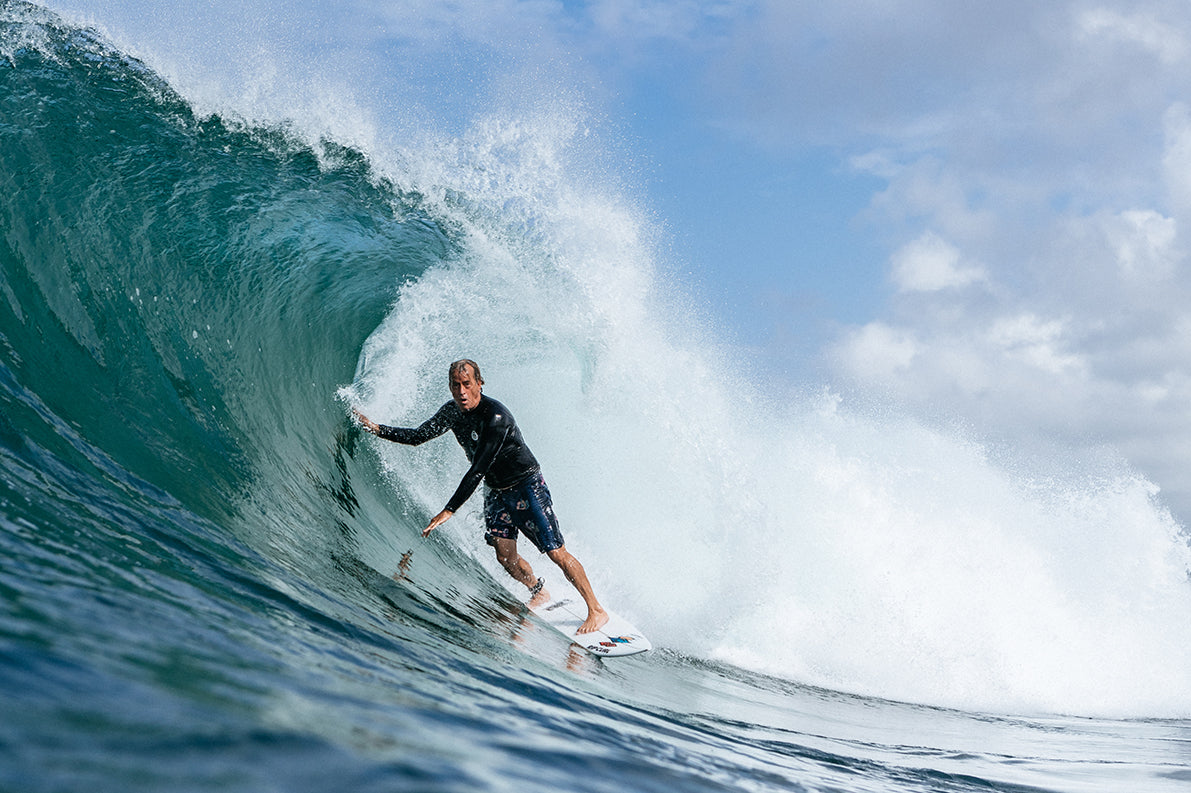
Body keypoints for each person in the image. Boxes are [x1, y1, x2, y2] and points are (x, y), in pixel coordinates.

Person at [353, 359, 609, 634]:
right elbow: (418, 436)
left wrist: (449, 510)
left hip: (526, 484)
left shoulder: (496, 417)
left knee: (556, 552)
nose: (461, 391)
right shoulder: (452, 412)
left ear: (479, 384)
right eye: (455, 385)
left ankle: (596, 610)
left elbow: (477, 469)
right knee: (504, 556)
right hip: (496, 490)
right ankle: (538, 590)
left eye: (467, 384)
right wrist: (377, 428)